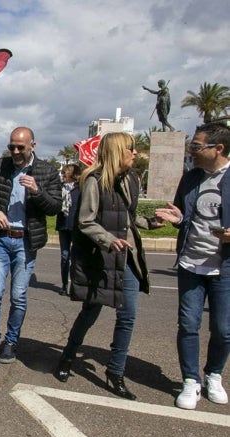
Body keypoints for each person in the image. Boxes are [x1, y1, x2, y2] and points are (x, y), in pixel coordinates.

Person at [55, 132, 154, 400]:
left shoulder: (132, 179)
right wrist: (109, 240)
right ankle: (67, 356)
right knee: (90, 312)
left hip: (128, 258)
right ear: (117, 151)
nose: (135, 153)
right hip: (102, 256)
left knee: (127, 316)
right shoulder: (94, 181)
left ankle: (116, 372)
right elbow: (86, 221)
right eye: (131, 149)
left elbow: (128, 218)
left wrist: (150, 221)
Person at [155, 122, 230, 410]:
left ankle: (213, 374)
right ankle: (190, 380)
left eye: (197, 146)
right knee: (188, 324)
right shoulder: (191, 179)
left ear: (218, 148)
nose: (191, 151)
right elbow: (184, 216)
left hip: (224, 267)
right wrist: (178, 219)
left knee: (223, 329)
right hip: (190, 264)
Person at [0, 126, 62, 367]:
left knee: (18, 296)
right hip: (1, 239)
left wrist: (37, 191)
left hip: (26, 241)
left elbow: (55, 207)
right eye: (12, 146)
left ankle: (11, 342)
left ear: (32, 146)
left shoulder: (47, 171)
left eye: (20, 147)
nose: (15, 151)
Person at [56, 164, 82, 295]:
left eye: (65, 172)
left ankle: (76, 284)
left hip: (75, 227)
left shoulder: (80, 189)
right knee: (64, 256)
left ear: (72, 174)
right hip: (63, 225)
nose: (62, 175)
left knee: (76, 257)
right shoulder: (59, 188)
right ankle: (64, 284)